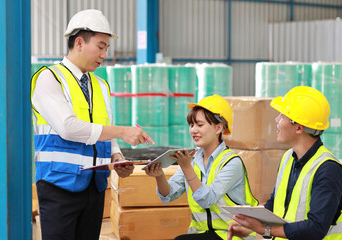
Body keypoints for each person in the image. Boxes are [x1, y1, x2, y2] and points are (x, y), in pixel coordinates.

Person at [31, 9, 154, 240]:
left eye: (106, 48)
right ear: (79, 42)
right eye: (100, 46)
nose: (104, 54)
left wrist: (117, 158)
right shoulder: (49, 78)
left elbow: (106, 129)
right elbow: (68, 127)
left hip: (95, 187)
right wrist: (123, 131)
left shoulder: (100, 85)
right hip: (59, 185)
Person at [227, 86, 342, 240]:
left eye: (282, 116)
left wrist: (264, 229)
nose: (276, 120)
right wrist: (249, 226)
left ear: (299, 128)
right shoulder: (288, 157)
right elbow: (275, 204)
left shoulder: (327, 169)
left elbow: (316, 228)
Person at [145, 94, 258, 240]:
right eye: (191, 125)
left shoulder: (231, 162)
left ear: (218, 128)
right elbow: (169, 194)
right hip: (203, 234)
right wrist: (159, 175)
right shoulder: (192, 160)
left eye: (199, 125)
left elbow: (207, 199)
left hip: (231, 234)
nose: (193, 130)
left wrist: (186, 167)